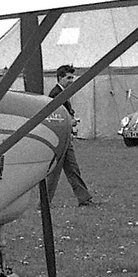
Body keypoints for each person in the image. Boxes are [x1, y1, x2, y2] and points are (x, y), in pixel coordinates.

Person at [45, 63, 94, 207]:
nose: (71, 81)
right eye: (68, 78)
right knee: (55, 173)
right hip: (60, 138)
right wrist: (70, 122)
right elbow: (54, 117)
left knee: (73, 169)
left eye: (73, 78)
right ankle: (45, 202)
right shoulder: (56, 94)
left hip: (66, 138)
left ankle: (84, 198)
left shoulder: (63, 93)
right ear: (60, 78)